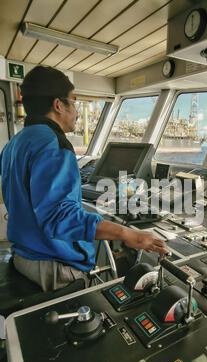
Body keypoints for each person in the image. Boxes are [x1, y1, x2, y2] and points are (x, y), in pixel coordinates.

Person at [0, 66, 168, 292]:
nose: (77, 112)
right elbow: (59, 217)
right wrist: (129, 234)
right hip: (53, 267)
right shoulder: (54, 145)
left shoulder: (15, 143)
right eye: (74, 102)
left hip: (24, 256)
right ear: (58, 105)